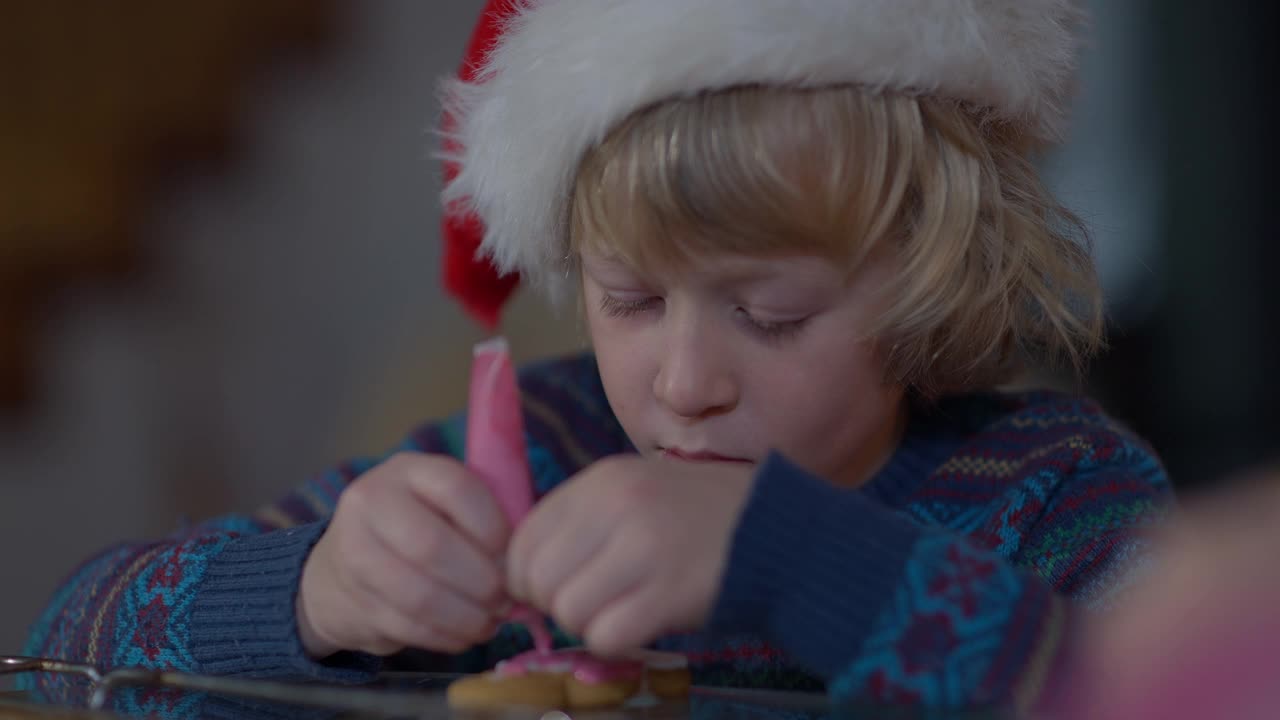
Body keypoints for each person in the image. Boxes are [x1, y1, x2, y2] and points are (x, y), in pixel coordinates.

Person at [23, 0, 1172, 711]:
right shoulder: (532, 456)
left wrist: (783, 556)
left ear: (938, 278)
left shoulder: (1048, 493)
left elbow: (1180, 694)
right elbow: (63, 660)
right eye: (628, 301)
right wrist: (314, 593)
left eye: (766, 315)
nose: (680, 384)